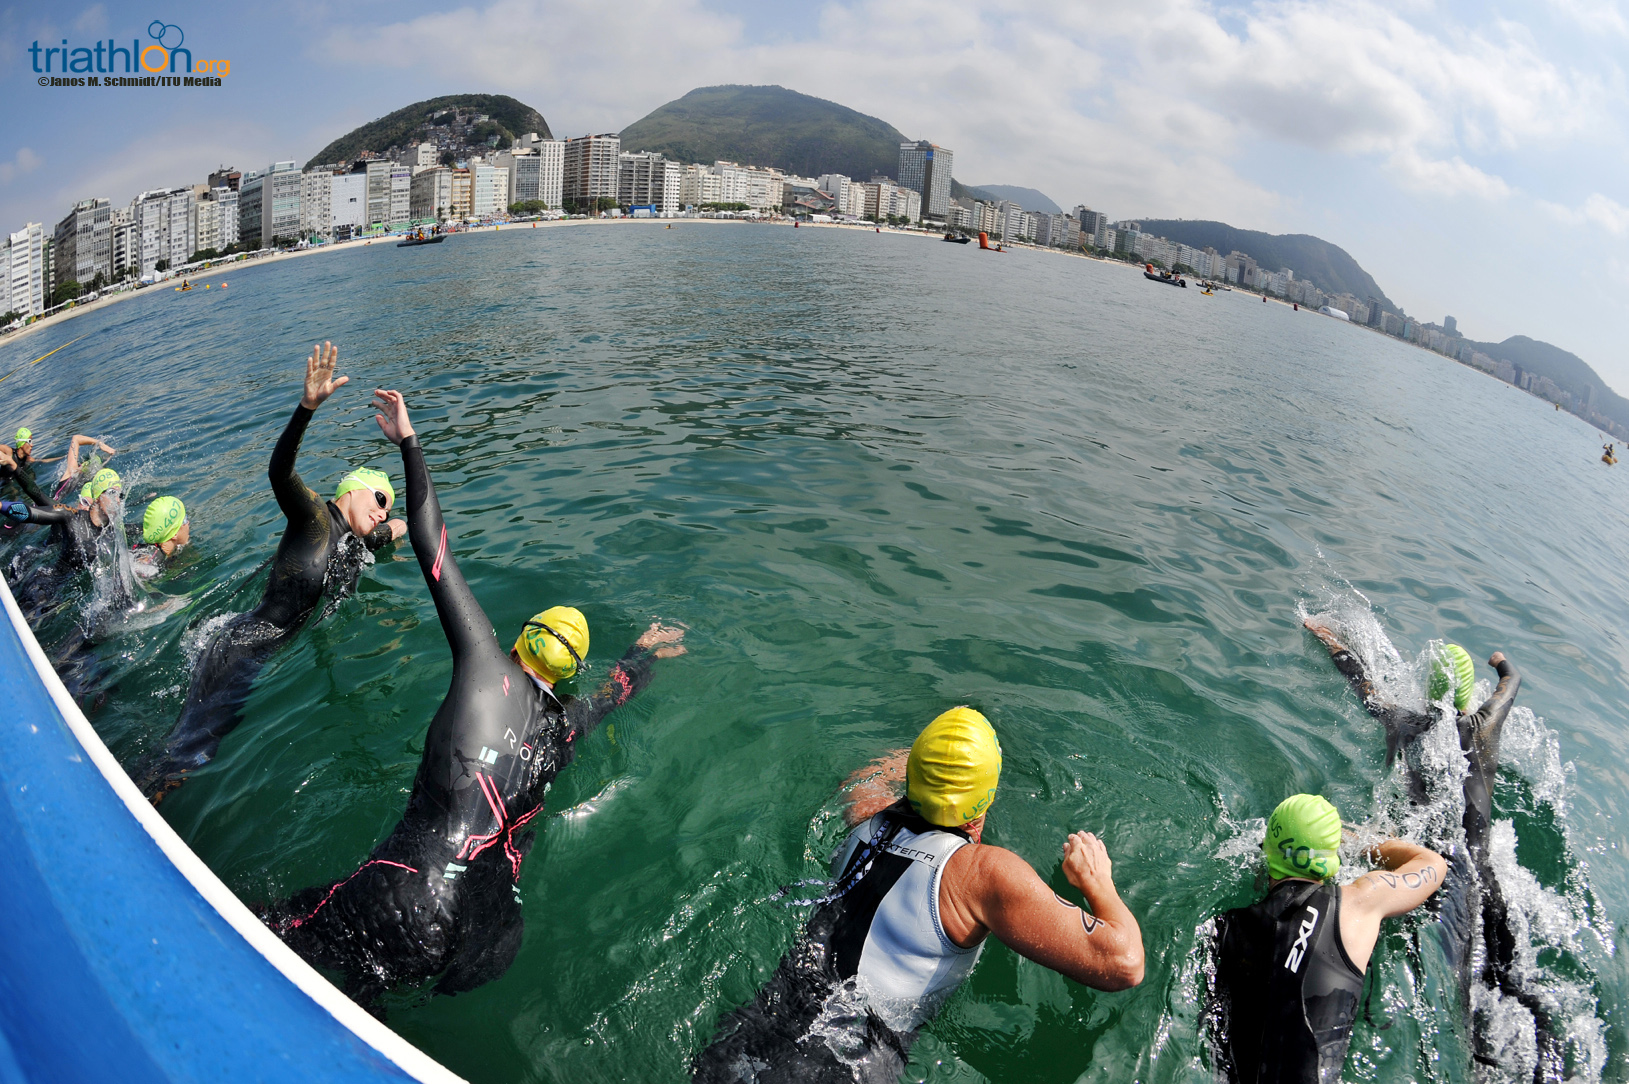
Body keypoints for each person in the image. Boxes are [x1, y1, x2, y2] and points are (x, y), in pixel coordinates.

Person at [267, 388, 686, 1005]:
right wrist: (642, 653)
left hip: (396, 887)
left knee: (253, 933)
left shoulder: (486, 665)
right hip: (473, 939)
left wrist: (409, 441)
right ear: (567, 674)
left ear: (522, 639)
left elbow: (429, 538)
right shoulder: (566, 726)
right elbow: (617, 691)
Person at [692, 707, 1144, 1083]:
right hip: (842, 1066)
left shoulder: (865, 819)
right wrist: (1097, 881)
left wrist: (934, 753)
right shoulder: (981, 874)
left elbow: (868, 772)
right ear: (987, 796)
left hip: (757, 1025)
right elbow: (1124, 965)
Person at [134, 343, 406, 802]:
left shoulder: (350, 540)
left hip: (257, 652)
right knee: (184, 758)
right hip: (239, 649)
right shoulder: (316, 518)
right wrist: (306, 409)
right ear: (352, 490)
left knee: (192, 752)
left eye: (387, 507)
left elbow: (382, 534)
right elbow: (280, 473)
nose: (383, 511)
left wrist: (396, 525)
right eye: (380, 498)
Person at [1303, 621, 1561, 1075]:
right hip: (1482, 871)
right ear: (1464, 690)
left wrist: (1330, 639)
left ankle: (1476, 1063)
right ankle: (1549, 1057)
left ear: (1428, 688)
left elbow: (1360, 681)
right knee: (1510, 973)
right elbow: (1511, 681)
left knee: (1460, 978)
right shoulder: (1484, 728)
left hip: (1434, 875)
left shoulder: (1403, 721)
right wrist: (1499, 660)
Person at [1211, 794, 1445, 1083]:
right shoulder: (1357, 904)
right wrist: (1363, 843)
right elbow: (1431, 862)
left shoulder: (1224, 927)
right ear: (1330, 860)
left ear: (1267, 852)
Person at [128, 495, 190, 576]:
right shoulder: (150, 562)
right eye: (184, 520)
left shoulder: (157, 551)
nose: (188, 522)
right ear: (174, 534)